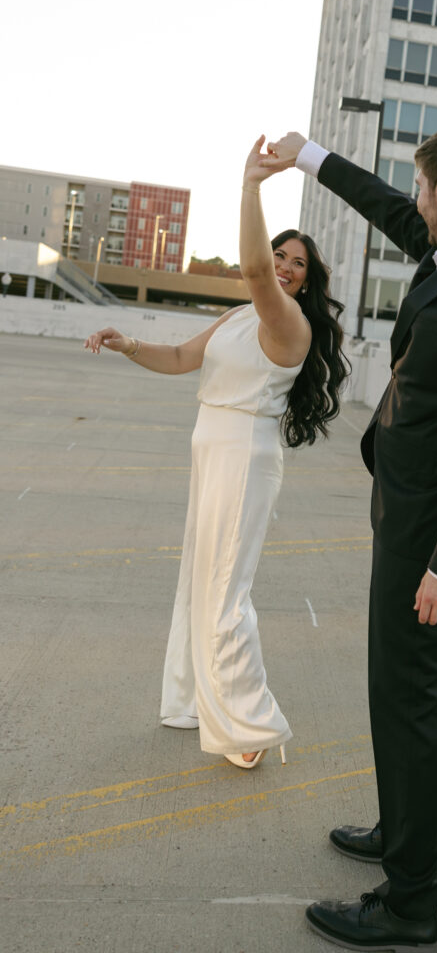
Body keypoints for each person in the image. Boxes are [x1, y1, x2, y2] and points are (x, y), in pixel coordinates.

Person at [261, 123, 437, 950]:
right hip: (409, 502)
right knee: (394, 689)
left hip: (432, 532)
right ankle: (400, 827)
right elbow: (385, 205)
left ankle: (411, 901)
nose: (414, 201)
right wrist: (308, 157)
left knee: (412, 697)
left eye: (422, 188)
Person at [84, 137, 349, 770]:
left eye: (297, 265)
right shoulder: (238, 318)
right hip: (211, 451)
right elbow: (179, 359)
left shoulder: (288, 323)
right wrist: (127, 344)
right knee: (198, 581)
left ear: (307, 284)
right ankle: (196, 700)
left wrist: (251, 185)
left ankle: (248, 726)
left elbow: (255, 275)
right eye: (280, 256)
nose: (283, 267)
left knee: (226, 589)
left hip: (245, 458)